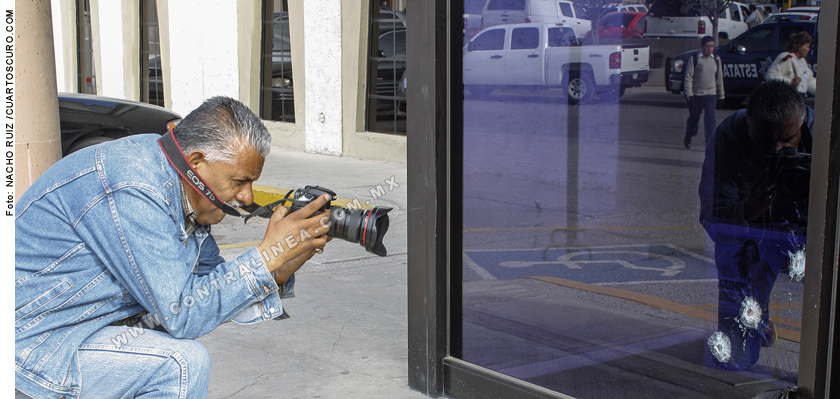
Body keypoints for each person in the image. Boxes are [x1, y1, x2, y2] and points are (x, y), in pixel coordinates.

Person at [15, 97, 333, 398]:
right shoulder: (134, 187)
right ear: (196, 162)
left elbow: (209, 290)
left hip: (82, 330)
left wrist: (278, 269)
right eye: (239, 181)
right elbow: (184, 315)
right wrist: (265, 258)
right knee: (180, 364)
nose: (247, 197)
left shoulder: (183, 188)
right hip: (34, 346)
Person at [699, 80, 813, 370]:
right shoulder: (729, 136)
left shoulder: (822, 132)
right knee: (735, 356)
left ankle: (758, 322)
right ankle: (750, 327)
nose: (777, 150)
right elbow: (714, 217)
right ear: (748, 125)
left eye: (788, 139)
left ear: (802, 124)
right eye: (764, 141)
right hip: (753, 230)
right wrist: (749, 210)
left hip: (808, 226)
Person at [683, 35, 725, 149]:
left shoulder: (716, 59)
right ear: (702, 47)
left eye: (711, 46)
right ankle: (689, 135)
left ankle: (709, 144)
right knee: (694, 119)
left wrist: (721, 95)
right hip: (697, 95)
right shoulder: (695, 59)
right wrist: (689, 95)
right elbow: (688, 78)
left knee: (710, 121)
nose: (709, 49)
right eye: (707, 46)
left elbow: (719, 78)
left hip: (711, 95)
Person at [766, 31, 816, 98]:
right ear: (799, 47)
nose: (809, 49)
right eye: (807, 47)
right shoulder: (786, 58)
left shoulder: (802, 61)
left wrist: (822, 91)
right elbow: (771, 76)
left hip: (801, 97)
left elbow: (809, 81)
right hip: (789, 97)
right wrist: (791, 82)